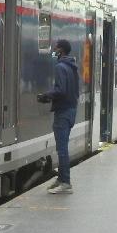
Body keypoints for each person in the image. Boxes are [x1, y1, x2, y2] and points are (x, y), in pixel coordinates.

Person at [37, 39, 80, 194]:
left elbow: (61, 90)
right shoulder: (72, 66)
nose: (54, 50)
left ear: (61, 50)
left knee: (62, 149)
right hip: (71, 111)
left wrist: (45, 96)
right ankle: (61, 179)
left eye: (56, 47)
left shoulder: (61, 67)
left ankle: (66, 183)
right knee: (62, 147)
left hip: (63, 112)